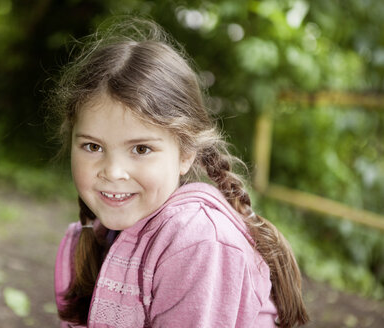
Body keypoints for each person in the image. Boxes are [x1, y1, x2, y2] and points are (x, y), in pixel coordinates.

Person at [51, 17, 309, 328]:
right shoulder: (92, 238)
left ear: (186, 154)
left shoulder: (199, 241)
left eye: (141, 149)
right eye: (93, 147)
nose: (114, 172)